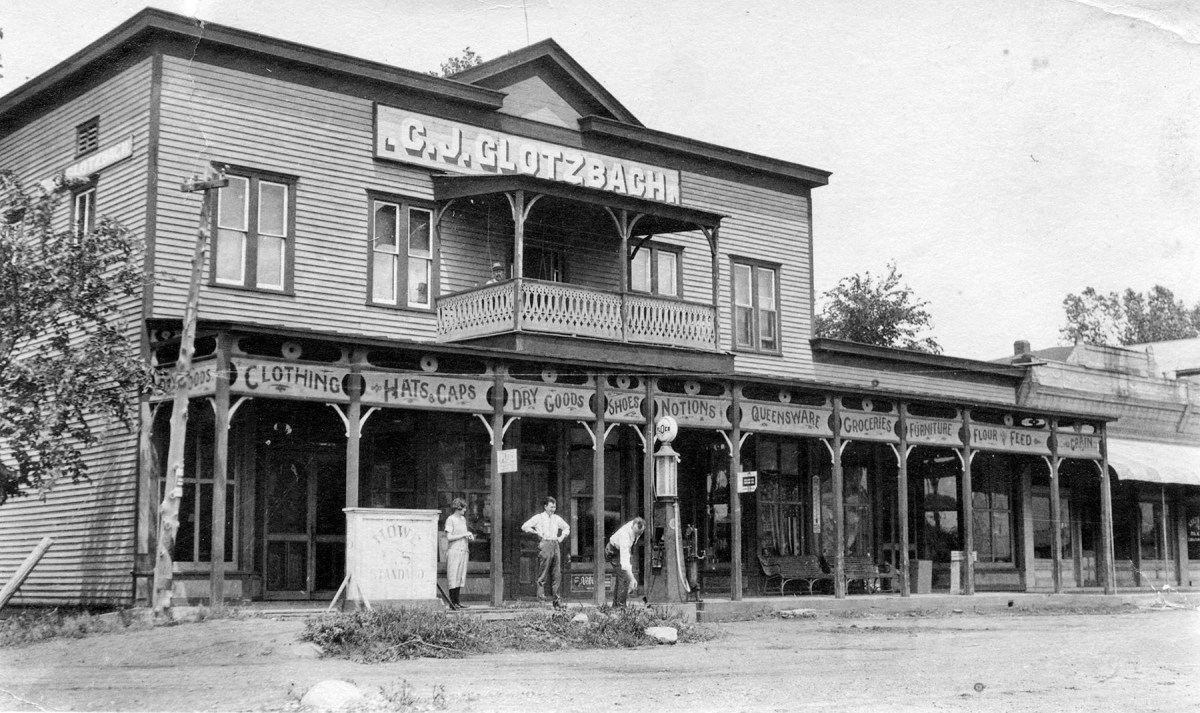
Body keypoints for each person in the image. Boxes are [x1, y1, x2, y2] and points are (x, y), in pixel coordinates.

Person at [521, 496, 570, 607]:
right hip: (545, 544)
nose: (553, 509)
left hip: (555, 544)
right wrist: (536, 533)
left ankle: (557, 601)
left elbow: (566, 527)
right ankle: (541, 600)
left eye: (554, 507)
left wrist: (561, 537)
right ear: (545, 506)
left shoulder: (556, 518)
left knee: (557, 573)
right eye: (551, 507)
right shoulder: (539, 517)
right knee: (543, 573)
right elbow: (524, 526)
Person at [606, 516, 645, 607]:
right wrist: (632, 578)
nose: (637, 535)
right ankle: (621, 608)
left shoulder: (637, 526)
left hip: (621, 550)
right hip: (613, 551)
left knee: (621, 578)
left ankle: (616, 606)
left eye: (639, 533)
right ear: (632, 527)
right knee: (624, 578)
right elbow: (625, 563)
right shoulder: (625, 536)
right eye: (636, 533)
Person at [444, 497, 474, 610]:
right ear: (458, 508)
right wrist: (464, 535)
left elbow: (463, 534)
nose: (465, 510)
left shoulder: (463, 519)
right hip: (454, 550)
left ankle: (457, 602)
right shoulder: (450, 519)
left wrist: (468, 535)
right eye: (463, 508)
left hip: (463, 550)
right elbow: (449, 537)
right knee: (453, 575)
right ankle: (452, 603)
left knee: (460, 576)